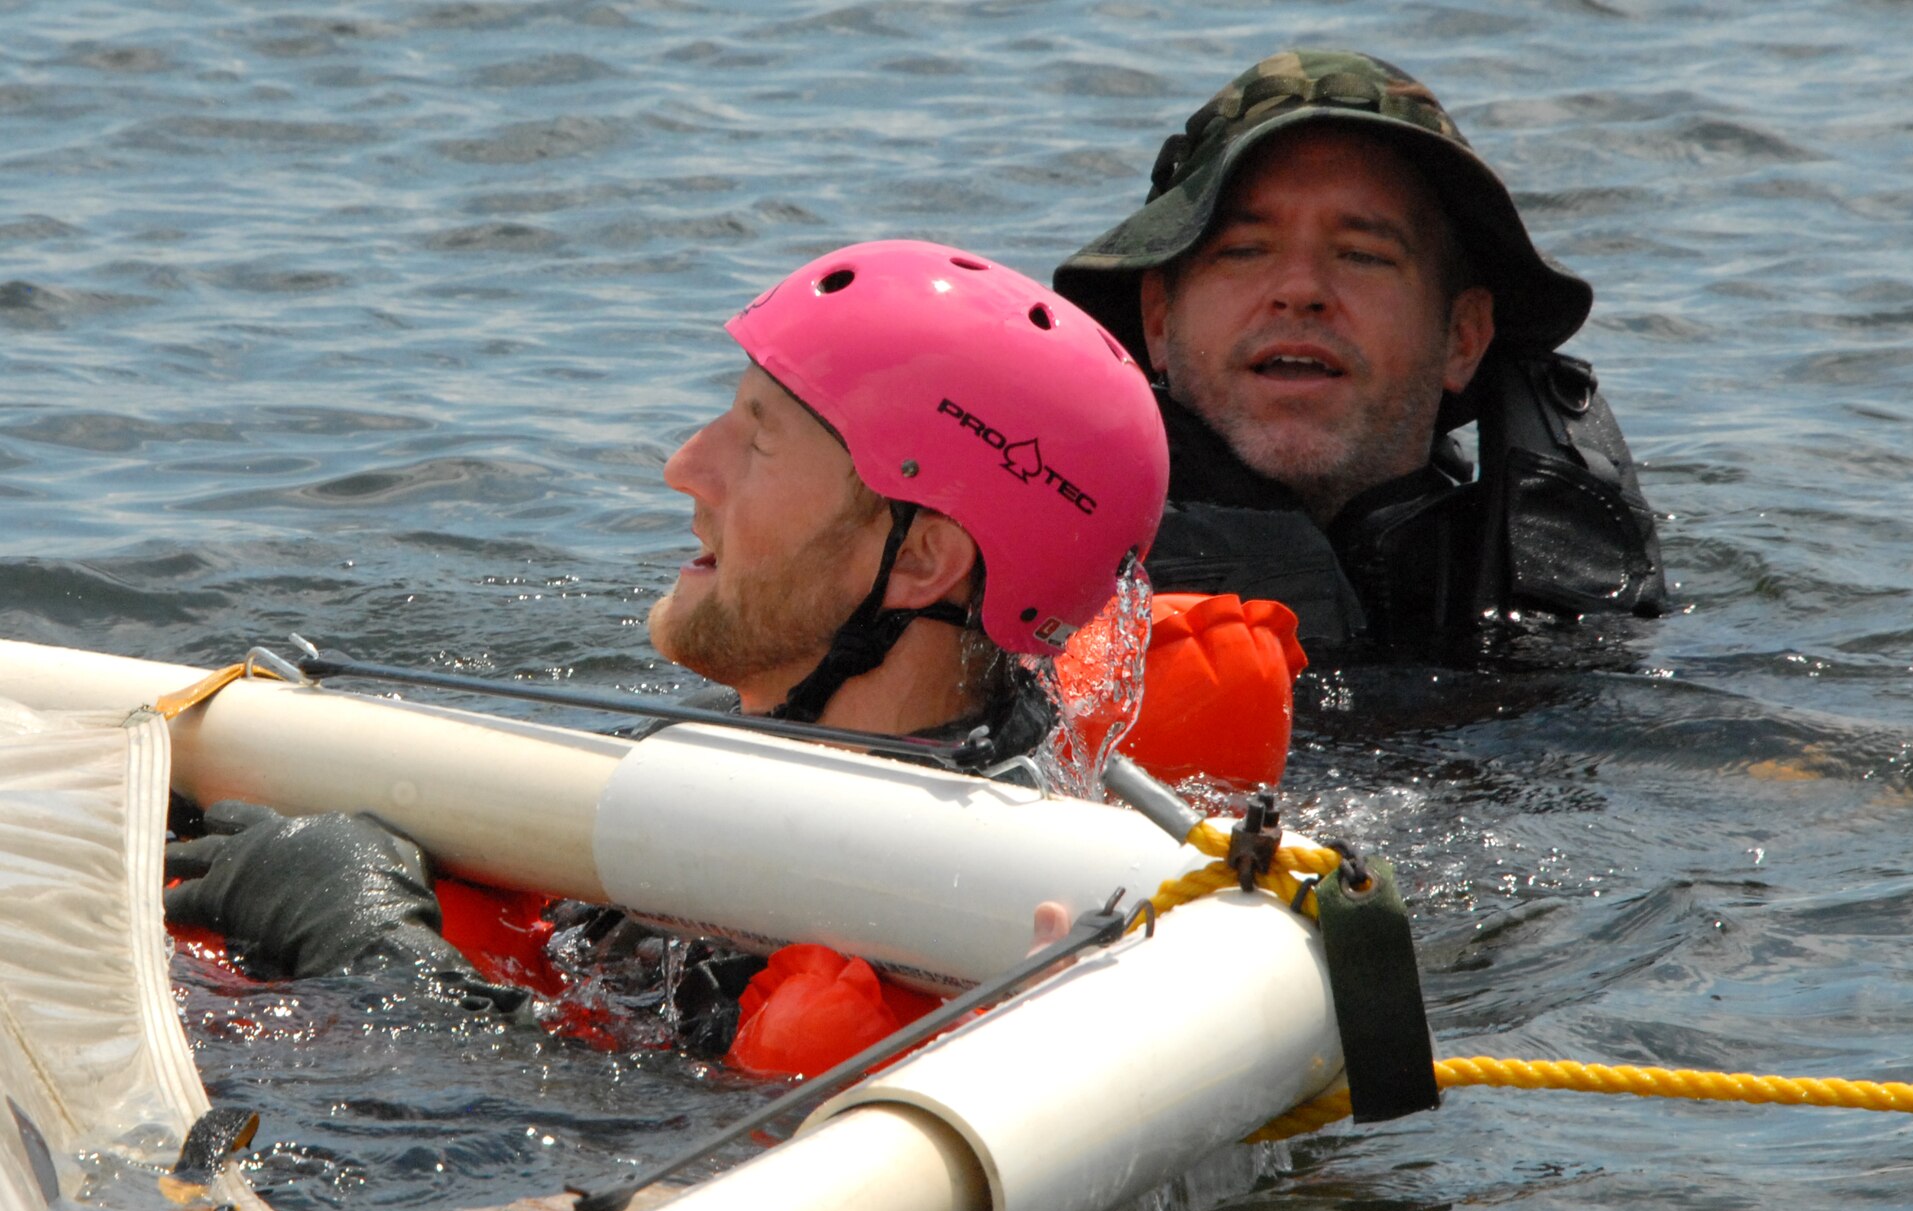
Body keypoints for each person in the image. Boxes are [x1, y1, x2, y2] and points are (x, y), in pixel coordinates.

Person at [163, 240, 1170, 1029]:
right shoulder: (975, 754)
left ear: (917, 562)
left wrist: (370, 955)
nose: (686, 467)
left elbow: (521, 1186)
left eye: (758, 440)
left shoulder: (859, 931)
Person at [1053, 50, 1669, 656]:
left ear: (1463, 337)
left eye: (1362, 255)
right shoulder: (1032, 585)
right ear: (1158, 320)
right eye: (1244, 251)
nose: (1300, 292)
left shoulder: (1565, 609)